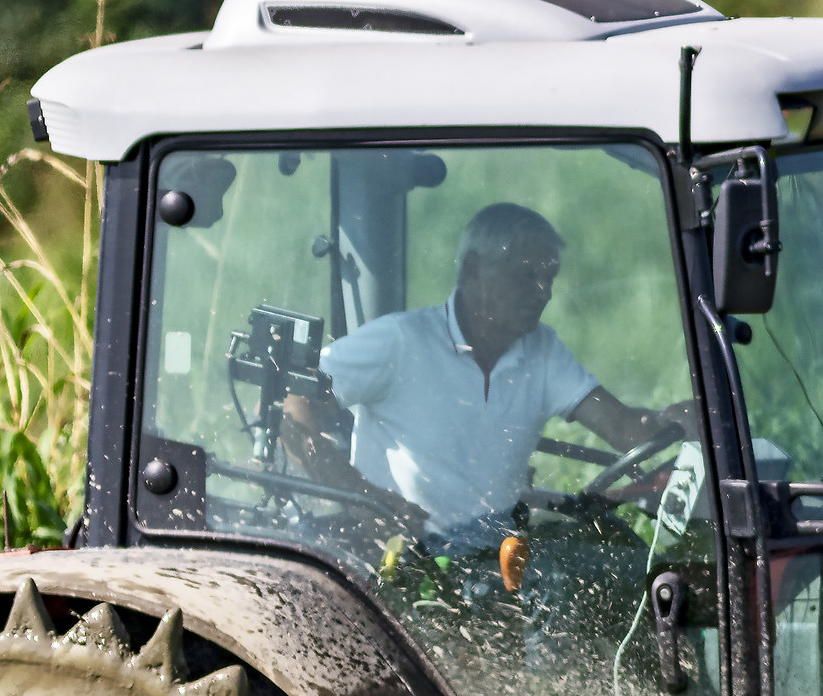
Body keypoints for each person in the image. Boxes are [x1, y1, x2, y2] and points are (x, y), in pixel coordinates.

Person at [278, 202, 693, 547]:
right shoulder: (401, 340)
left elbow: (623, 428)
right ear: (474, 269)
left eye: (550, 277)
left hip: (498, 557)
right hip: (406, 560)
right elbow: (297, 401)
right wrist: (364, 499)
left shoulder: (542, 351)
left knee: (617, 558)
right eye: (528, 275)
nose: (545, 291)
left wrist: (675, 423)